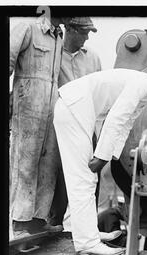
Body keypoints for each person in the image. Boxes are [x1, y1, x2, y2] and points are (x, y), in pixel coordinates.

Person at [53, 64, 147, 255]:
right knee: (83, 178)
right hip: (74, 108)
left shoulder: (145, 89)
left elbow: (127, 123)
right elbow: (116, 119)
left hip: (78, 108)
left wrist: (112, 156)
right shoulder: (140, 85)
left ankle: (85, 232)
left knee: (87, 179)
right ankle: (87, 242)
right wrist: (101, 158)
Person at [9, 13, 67, 239]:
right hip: (28, 100)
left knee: (48, 161)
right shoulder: (27, 27)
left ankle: (38, 219)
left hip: (51, 103)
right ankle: (19, 219)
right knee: (24, 160)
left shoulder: (58, 36)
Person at [50, 17, 102, 228]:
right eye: (83, 32)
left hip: (88, 123)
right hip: (63, 124)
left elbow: (100, 89)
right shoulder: (54, 55)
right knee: (60, 173)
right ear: (69, 29)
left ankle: (90, 225)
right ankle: (55, 222)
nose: (87, 37)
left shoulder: (93, 58)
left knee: (92, 172)